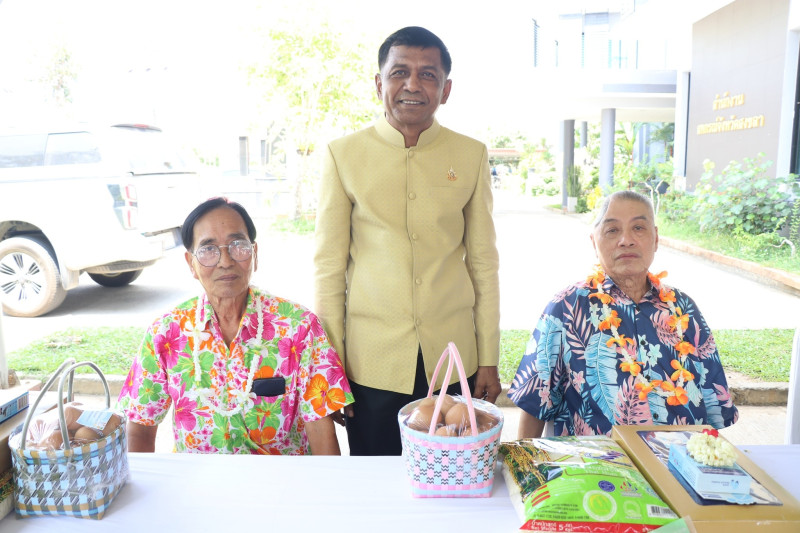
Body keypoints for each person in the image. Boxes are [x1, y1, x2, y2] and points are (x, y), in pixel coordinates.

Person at [314, 26, 501, 455]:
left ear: (446, 89)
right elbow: (328, 268)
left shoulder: (470, 155)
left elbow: (484, 264)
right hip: (370, 364)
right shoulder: (343, 155)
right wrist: (330, 367)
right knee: (373, 476)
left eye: (428, 75)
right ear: (378, 83)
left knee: (453, 474)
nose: (412, 85)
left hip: (452, 358)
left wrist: (488, 357)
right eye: (399, 72)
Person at [118, 197, 353, 455]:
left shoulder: (299, 327)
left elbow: (321, 432)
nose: (225, 261)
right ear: (191, 264)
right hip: (196, 478)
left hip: (280, 478)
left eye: (238, 245)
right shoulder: (166, 334)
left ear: (255, 254)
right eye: (208, 249)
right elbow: (139, 429)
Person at [509, 190, 739, 438]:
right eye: (612, 230)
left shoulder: (684, 308)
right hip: (595, 460)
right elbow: (535, 403)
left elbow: (714, 410)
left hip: (678, 456)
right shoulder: (567, 307)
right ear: (594, 242)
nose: (626, 240)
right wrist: (524, 458)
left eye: (638, 228)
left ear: (656, 238)